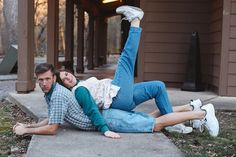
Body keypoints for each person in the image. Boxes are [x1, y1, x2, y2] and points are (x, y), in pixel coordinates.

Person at [56, 5, 219, 137]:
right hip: (116, 98)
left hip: (122, 96)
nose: (67, 78)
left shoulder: (82, 83)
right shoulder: (77, 91)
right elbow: (90, 110)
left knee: (158, 86)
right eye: (64, 80)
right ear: (65, 86)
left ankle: (173, 123)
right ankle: (135, 20)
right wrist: (104, 129)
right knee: (126, 60)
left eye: (66, 74)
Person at [13, 63, 120, 138]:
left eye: (47, 79)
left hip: (105, 121)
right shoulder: (50, 92)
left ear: (54, 78)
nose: (44, 83)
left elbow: (52, 128)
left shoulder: (58, 94)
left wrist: (26, 131)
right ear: (37, 80)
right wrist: (27, 126)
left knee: (137, 122)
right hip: (103, 118)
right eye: (41, 80)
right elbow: (52, 118)